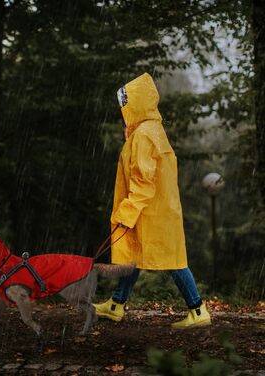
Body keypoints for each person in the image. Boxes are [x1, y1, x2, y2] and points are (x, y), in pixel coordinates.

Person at [93, 72, 211, 329]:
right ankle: (116, 305)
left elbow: (144, 182)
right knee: (136, 256)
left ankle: (198, 310)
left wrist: (126, 213)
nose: (123, 111)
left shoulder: (144, 135)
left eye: (126, 105)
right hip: (157, 210)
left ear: (136, 104)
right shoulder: (152, 131)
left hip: (149, 211)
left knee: (173, 261)